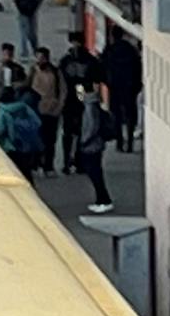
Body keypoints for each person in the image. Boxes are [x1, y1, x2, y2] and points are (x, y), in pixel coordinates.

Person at [58, 37, 101, 172]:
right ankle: (68, 161)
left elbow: (96, 80)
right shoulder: (67, 61)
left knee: (79, 131)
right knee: (69, 132)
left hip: (80, 97)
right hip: (71, 98)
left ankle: (77, 160)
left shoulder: (86, 60)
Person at [0, 74, 44, 181]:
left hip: (10, 146)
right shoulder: (24, 107)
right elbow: (37, 122)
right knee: (26, 171)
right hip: (27, 145)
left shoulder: (2, 111)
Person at [75, 82, 115, 213]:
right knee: (96, 172)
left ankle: (104, 200)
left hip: (91, 144)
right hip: (97, 143)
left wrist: (84, 141)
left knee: (94, 173)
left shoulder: (89, 107)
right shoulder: (95, 105)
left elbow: (91, 126)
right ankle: (101, 200)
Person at [103, 28, 143, 152]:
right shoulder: (130, 50)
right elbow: (138, 68)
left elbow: (103, 69)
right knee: (130, 115)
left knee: (117, 116)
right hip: (130, 87)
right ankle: (130, 143)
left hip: (115, 87)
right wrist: (137, 86)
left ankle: (119, 142)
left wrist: (108, 83)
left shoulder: (109, 50)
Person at [30, 47, 64, 177]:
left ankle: (48, 165)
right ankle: (35, 164)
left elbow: (64, 91)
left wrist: (59, 106)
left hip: (52, 110)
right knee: (36, 139)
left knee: (50, 140)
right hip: (36, 110)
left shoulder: (55, 72)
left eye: (43, 58)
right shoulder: (33, 71)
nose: (40, 61)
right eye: (38, 58)